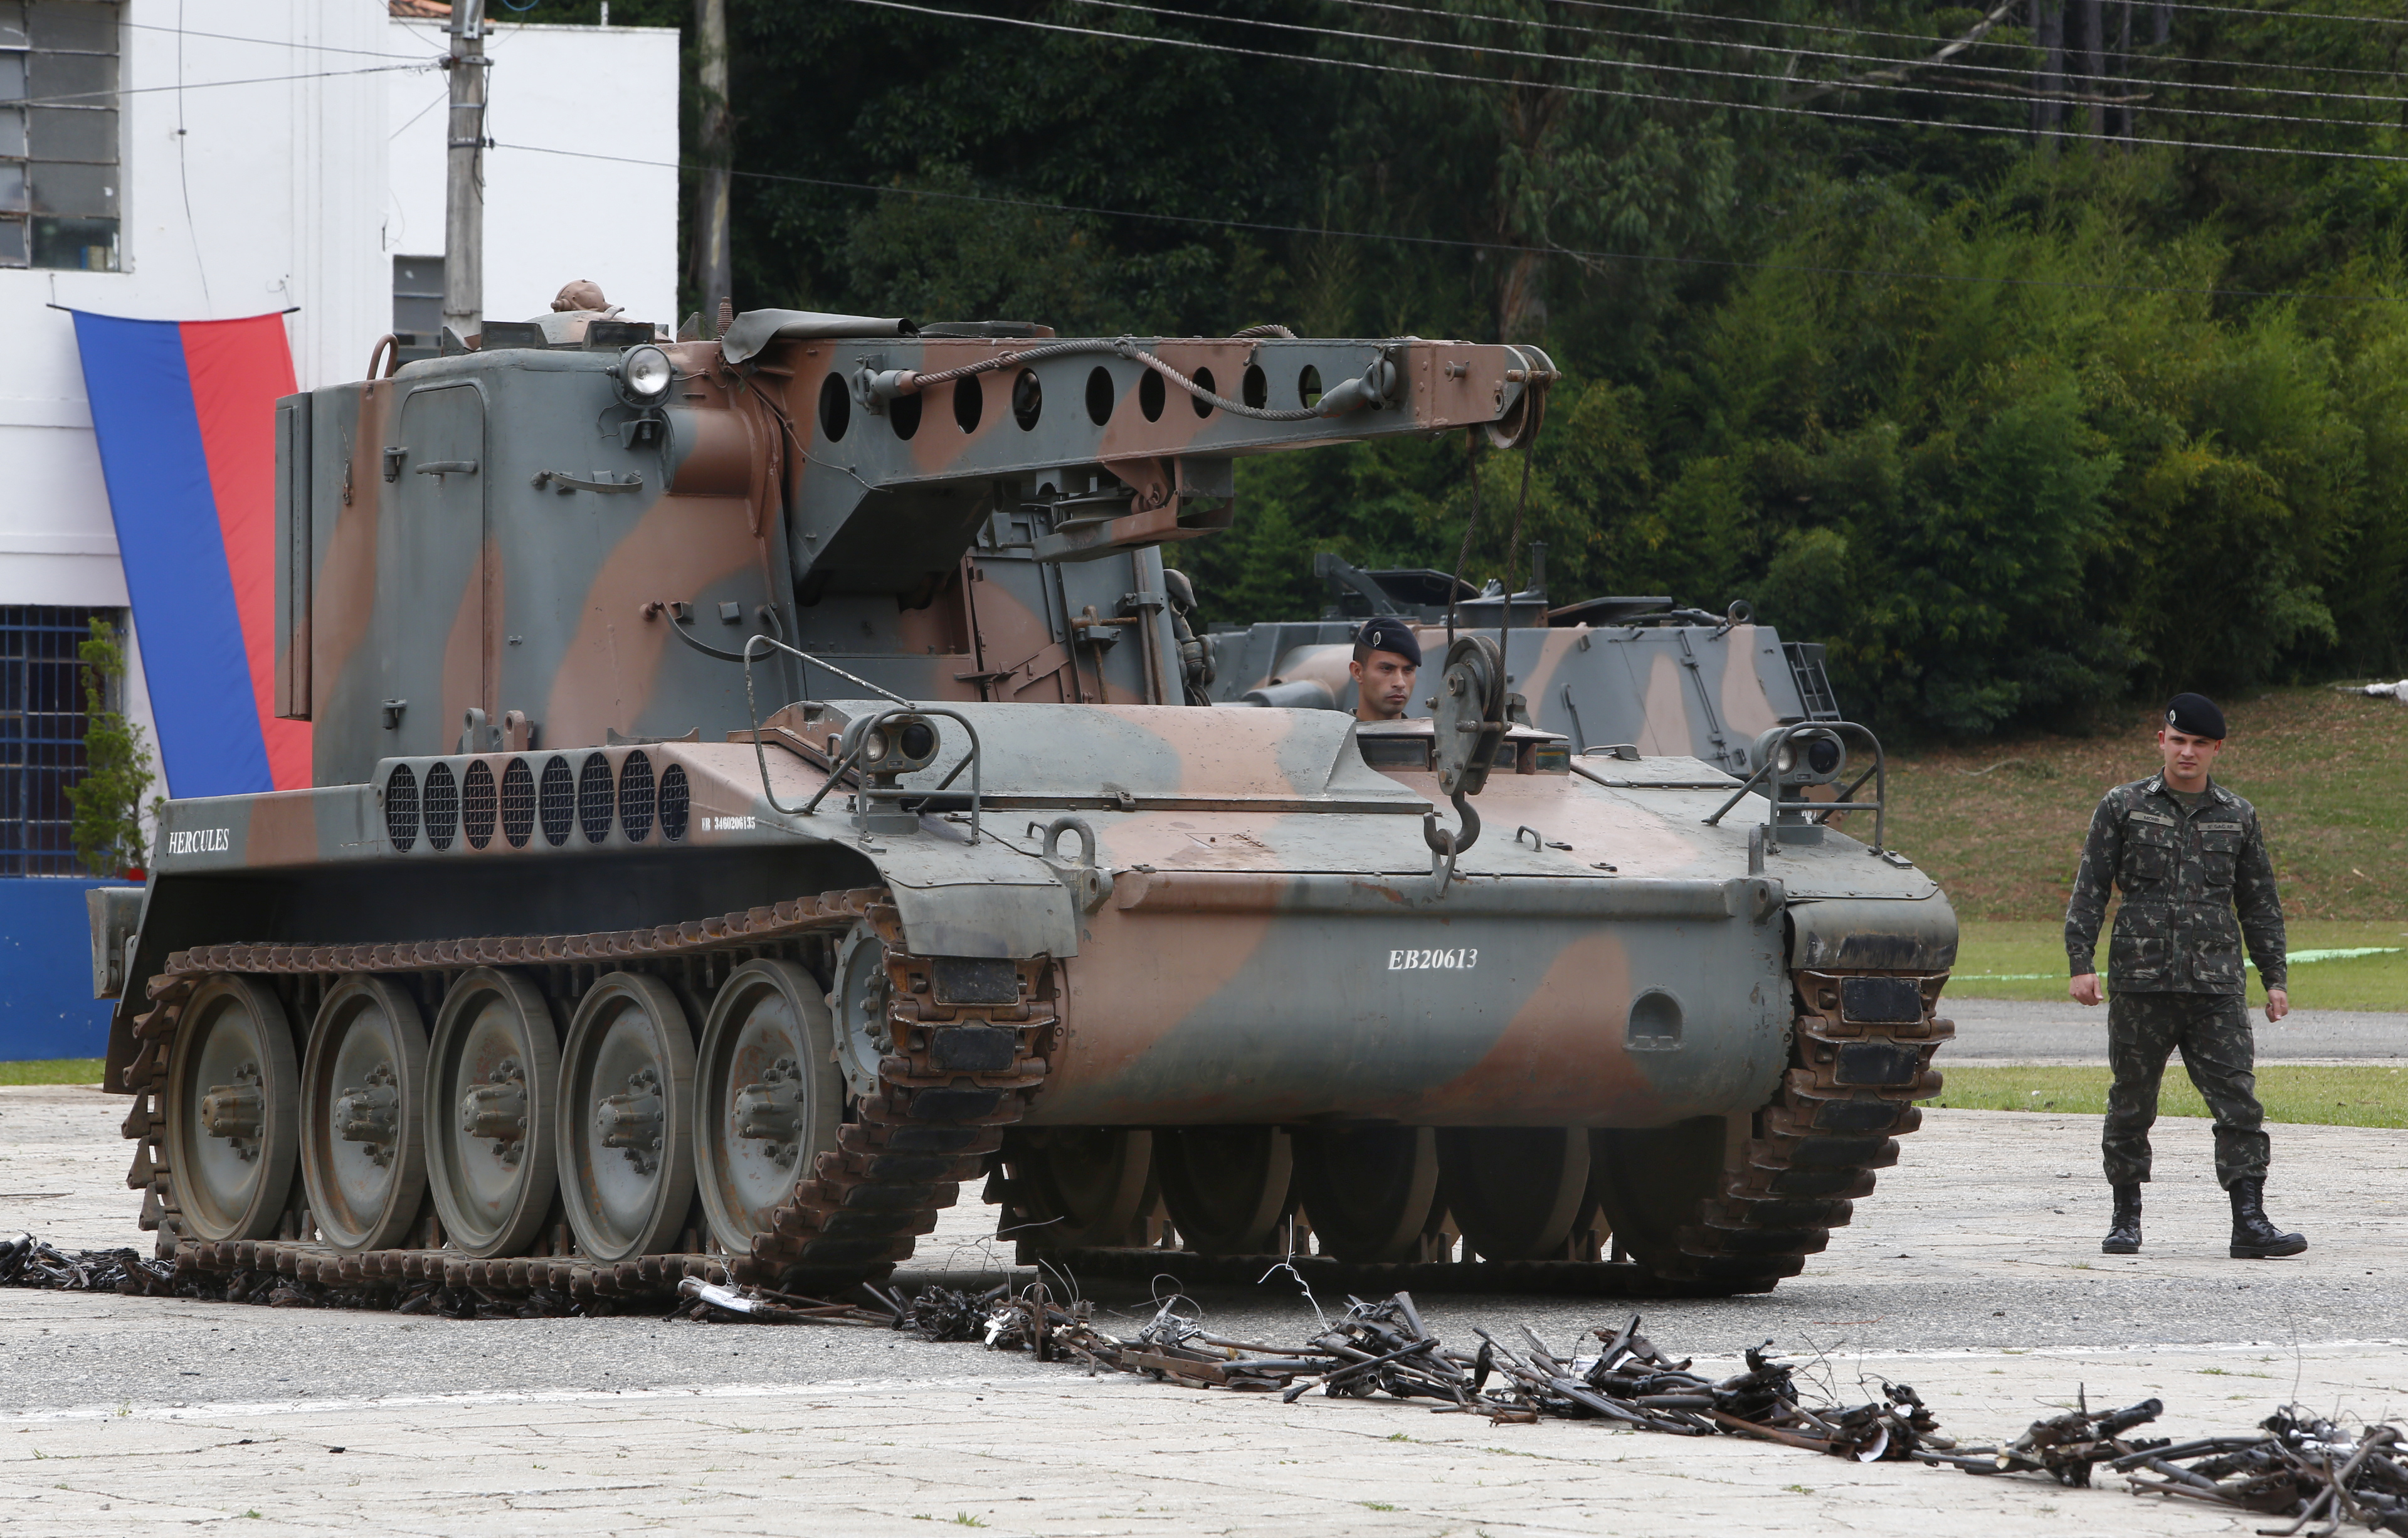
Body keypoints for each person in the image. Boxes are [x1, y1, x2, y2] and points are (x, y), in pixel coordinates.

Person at [2064, 692, 2303, 1261]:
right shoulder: (2123, 806)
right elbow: (2091, 888)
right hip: (2140, 983)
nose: (2187, 752)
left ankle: (2249, 1220)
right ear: (2162, 742)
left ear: (2216, 748)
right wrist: (2081, 962)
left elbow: (2260, 902)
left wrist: (2275, 978)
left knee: (2238, 1103)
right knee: (2131, 1102)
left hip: (2215, 987)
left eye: (2199, 743)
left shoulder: (2238, 815)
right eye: (2178, 741)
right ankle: (2126, 1217)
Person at [1349, 616, 1421, 722]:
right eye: (1386, 669)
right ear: (1358, 672)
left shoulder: (1432, 737)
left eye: (1408, 670)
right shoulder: (1336, 737)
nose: (1400, 683)